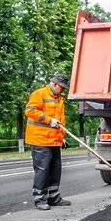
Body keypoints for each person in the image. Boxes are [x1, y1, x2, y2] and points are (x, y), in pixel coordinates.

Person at [25, 73, 71, 210]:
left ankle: (53, 197)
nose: (63, 90)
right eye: (61, 87)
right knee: (43, 171)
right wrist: (48, 120)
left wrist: (61, 138)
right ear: (55, 84)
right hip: (40, 140)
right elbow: (29, 111)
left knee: (55, 170)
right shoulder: (40, 94)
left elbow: (60, 121)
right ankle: (40, 199)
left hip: (54, 141)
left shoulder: (58, 98)